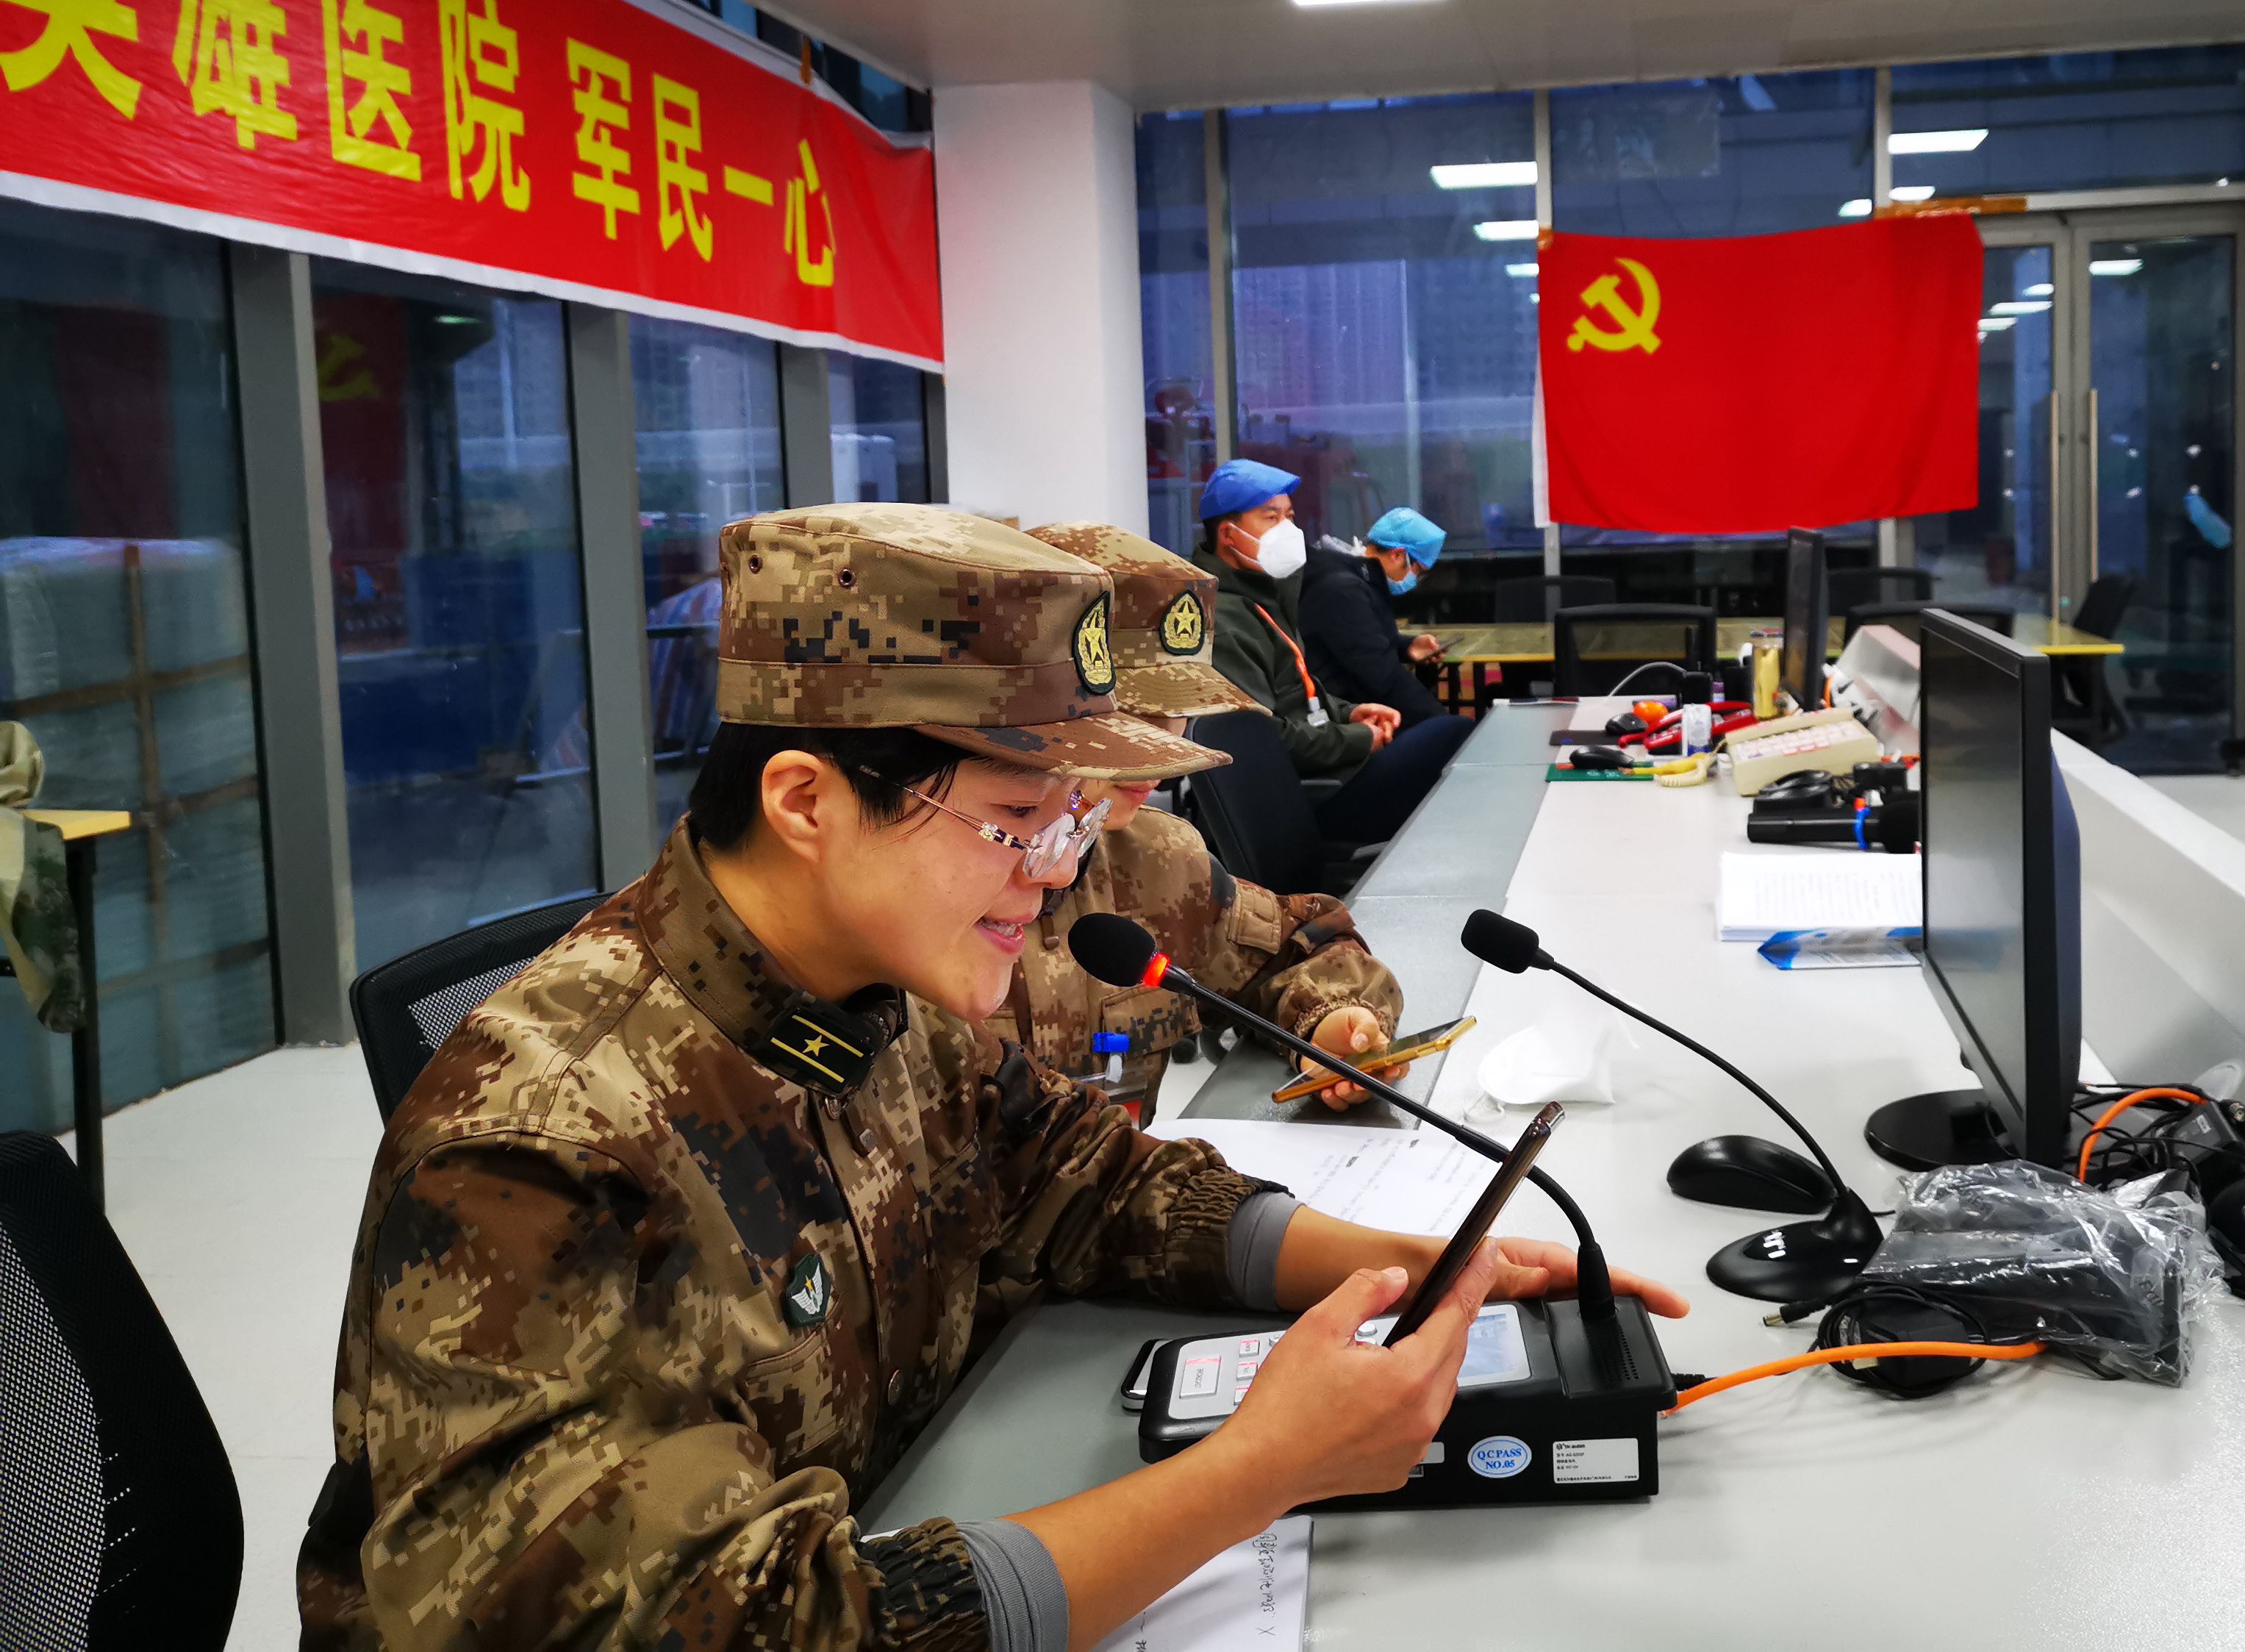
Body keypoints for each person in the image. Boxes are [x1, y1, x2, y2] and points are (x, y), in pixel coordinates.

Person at [298, 504, 1683, 1652]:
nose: (1059, 870)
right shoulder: (536, 1150)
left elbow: (1077, 1177)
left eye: (1074, 816)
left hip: (906, 1497)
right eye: (1019, 818)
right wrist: (1263, 1468)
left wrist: (1403, 1270)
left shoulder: (875, 985)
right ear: (804, 801)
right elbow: (742, 1628)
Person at [1017, 521, 1407, 1115]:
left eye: (1177, 714)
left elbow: (1304, 946)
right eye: (1132, 712)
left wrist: (1335, 1022)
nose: (1166, 748)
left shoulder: (1155, 860)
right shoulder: (925, 897)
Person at [1192, 460, 1473, 850]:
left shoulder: (1266, 597)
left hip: (1327, 767)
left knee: (1447, 743)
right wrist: (1357, 739)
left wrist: (1348, 713)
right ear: (1228, 534)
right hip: (1302, 799)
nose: (1287, 530)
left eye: (1290, 517)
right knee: (1453, 735)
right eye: (1271, 517)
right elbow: (1263, 739)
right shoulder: (1224, 620)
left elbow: (1298, 690)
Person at [1299, 506, 1451, 728]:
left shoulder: (1355, 576)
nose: (1415, 578)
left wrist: (1405, 646)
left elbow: (1358, 638)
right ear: (1397, 555)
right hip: (1338, 718)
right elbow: (1383, 676)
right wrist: (1443, 723)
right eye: (1418, 570)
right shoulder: (1344, 590)